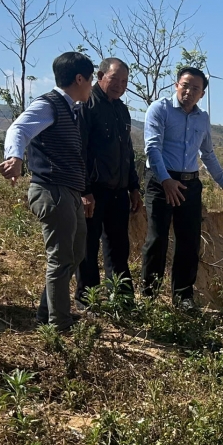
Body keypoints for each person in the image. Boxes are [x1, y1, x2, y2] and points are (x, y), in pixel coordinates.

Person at [0, 51, 95, 329]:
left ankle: (46, 313)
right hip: (52, 191)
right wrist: (15, 157)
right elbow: (18, 129)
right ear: (79, 78)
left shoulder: (71, 110)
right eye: (90, 79)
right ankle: (59, 325)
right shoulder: (49, 104)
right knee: (61, 258)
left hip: (70, 192)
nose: (91, 85)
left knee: (75, 254)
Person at [141, 67, 223, 304]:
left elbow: (207, 154)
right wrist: (166, 180)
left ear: (202, 93)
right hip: (160, 181)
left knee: (189, 241)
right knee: (157, 240)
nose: (189, 91)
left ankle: (183, 297)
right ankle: (149, 297)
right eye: (185, 85)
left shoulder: (203, 118)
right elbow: (152, 149)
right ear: (176, 85)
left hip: (189, 184)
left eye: (195, 88)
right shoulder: (159, 109)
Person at [76, 57, 142, 304]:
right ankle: (88, 300)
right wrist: (84, 189)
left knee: (118, 248)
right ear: (101, 76)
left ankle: (122, 300)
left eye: (125, 81)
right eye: (115, 79)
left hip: (119, 191)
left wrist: (134, 187)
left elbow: (128, 152)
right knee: (88, 247)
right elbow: (79, 150)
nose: (120, 85)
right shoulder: (87, 105)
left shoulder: (122, 109)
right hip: (94, 191)